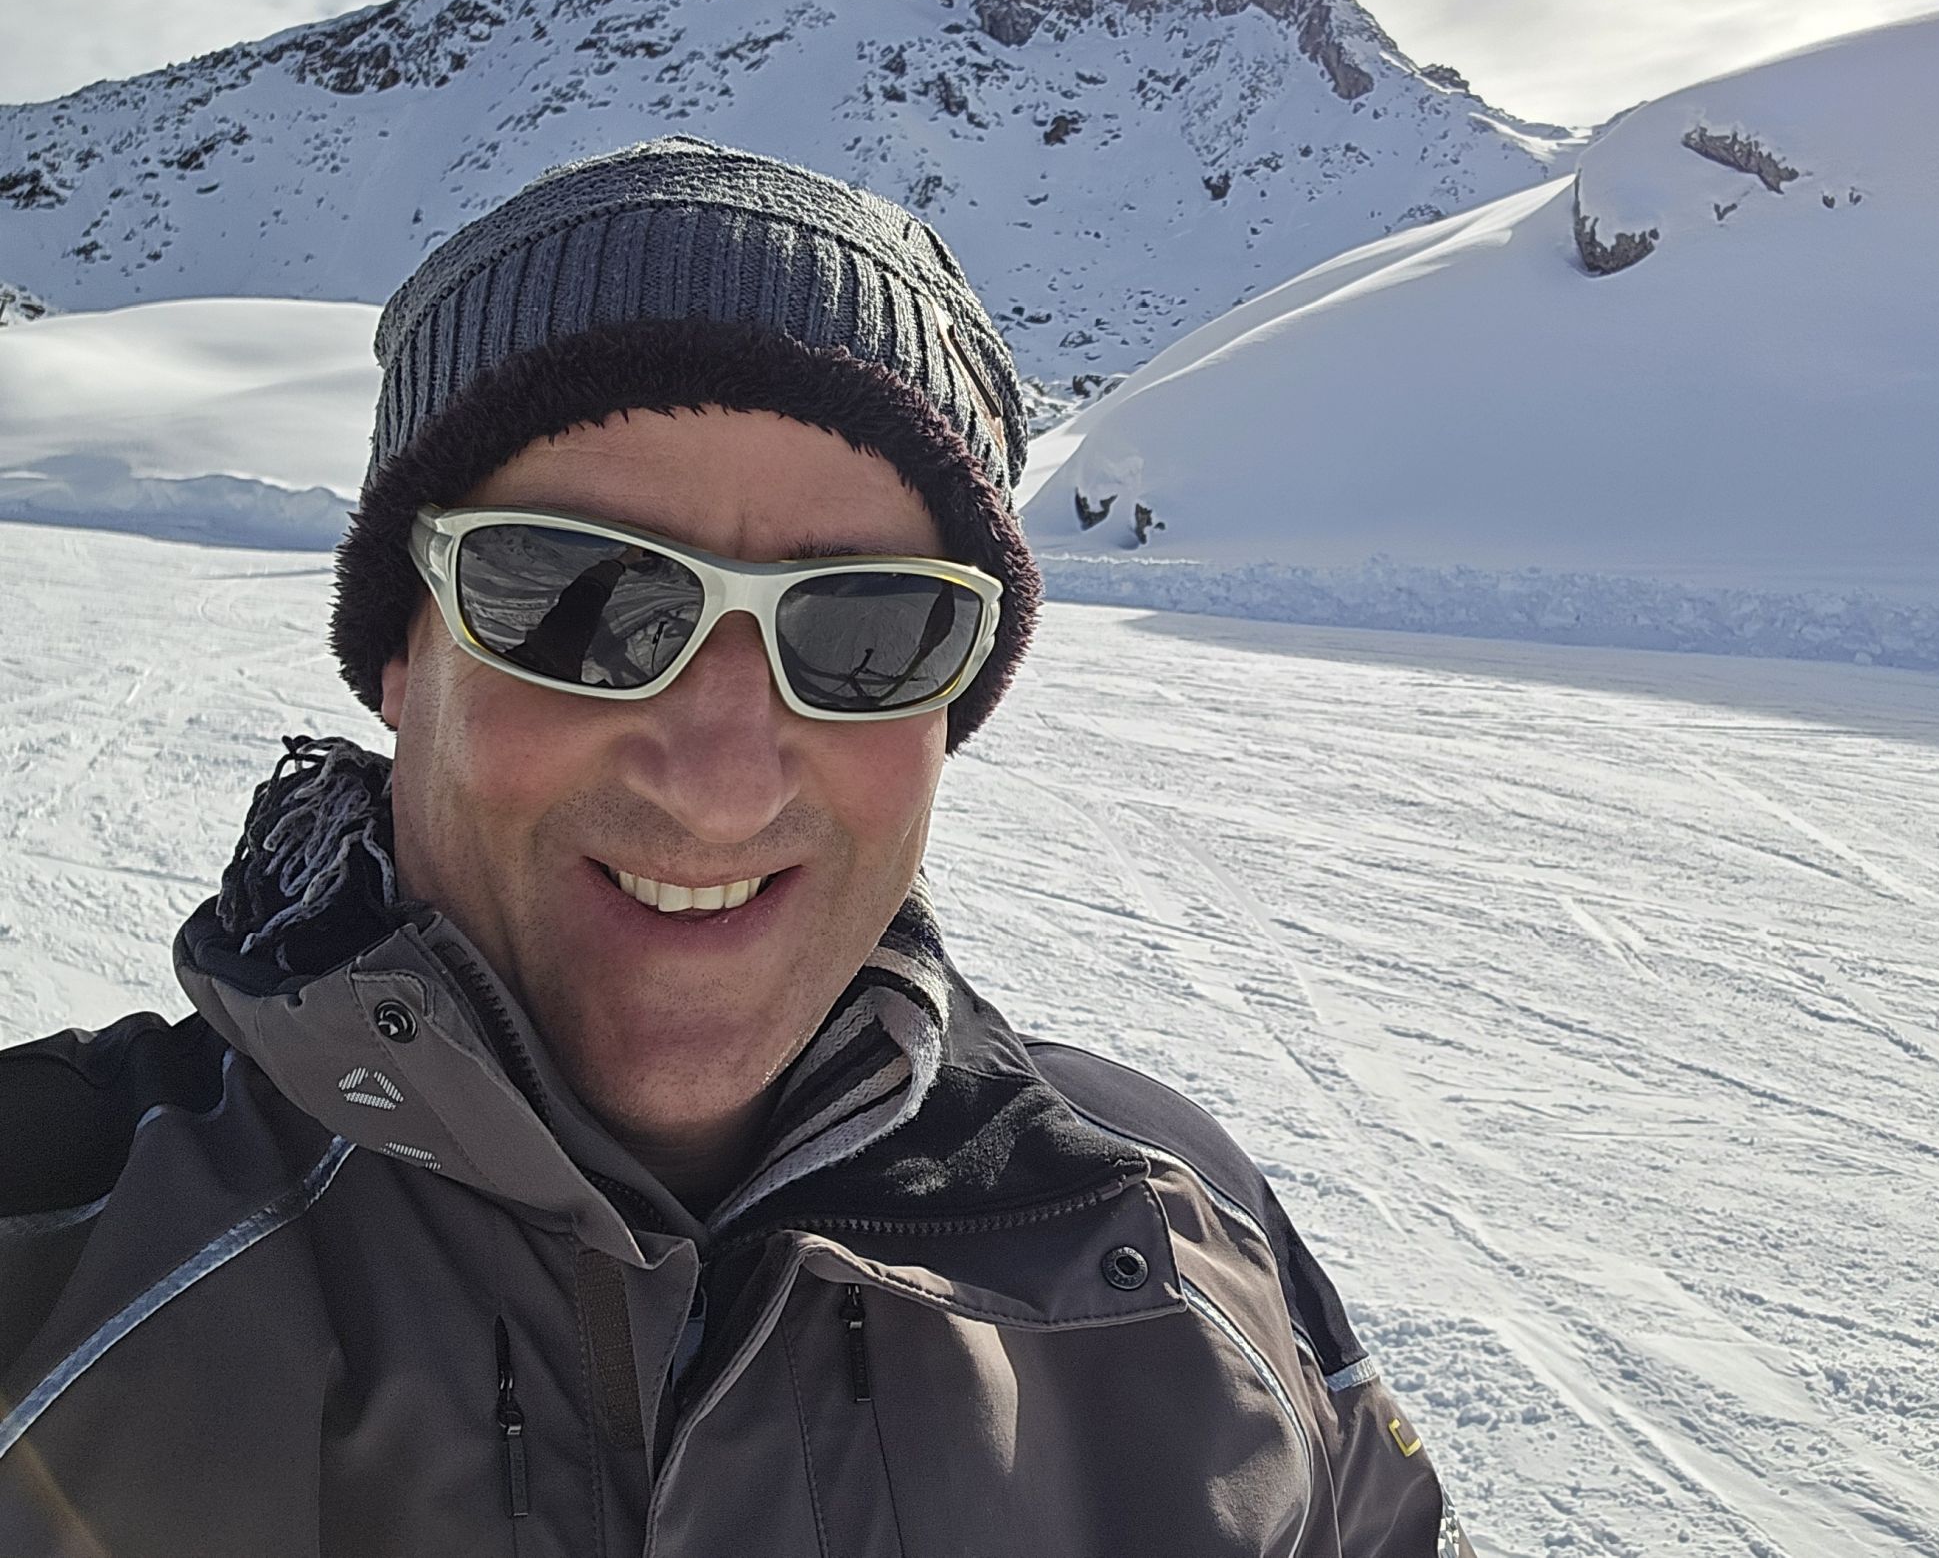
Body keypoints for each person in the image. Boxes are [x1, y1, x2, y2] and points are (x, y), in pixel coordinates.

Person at [0, 139, 1474, 1556]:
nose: (718, 786)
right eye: (577, 603)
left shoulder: (1178, 1252)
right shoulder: (54, 1258)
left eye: (869, 630)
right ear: (402, 651)